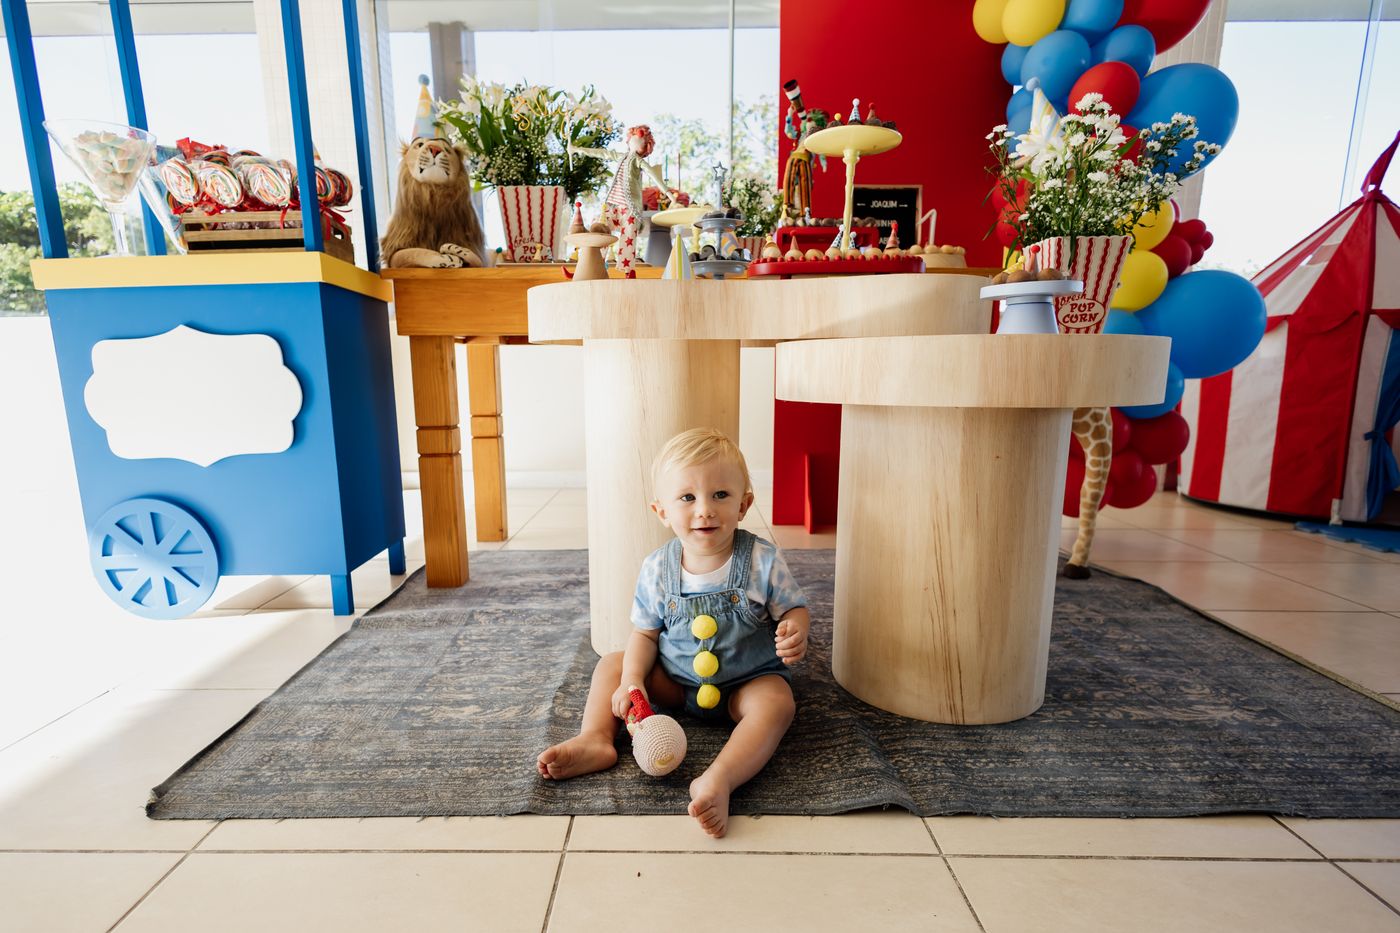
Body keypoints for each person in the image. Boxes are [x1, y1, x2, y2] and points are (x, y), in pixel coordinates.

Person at [536, 428, 811, 837]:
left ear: (743, 505)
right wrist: (632, 681)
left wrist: (794, 628)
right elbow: (645, 635)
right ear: (661, 511)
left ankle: (719, 779)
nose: (705, 510)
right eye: (687, 498)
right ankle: (595, 738)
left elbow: (793, 607)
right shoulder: (656, 568)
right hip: (677, 683)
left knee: (778, 703)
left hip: (746, 683)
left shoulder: (761, 560)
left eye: (720, 495)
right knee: (613, 664)